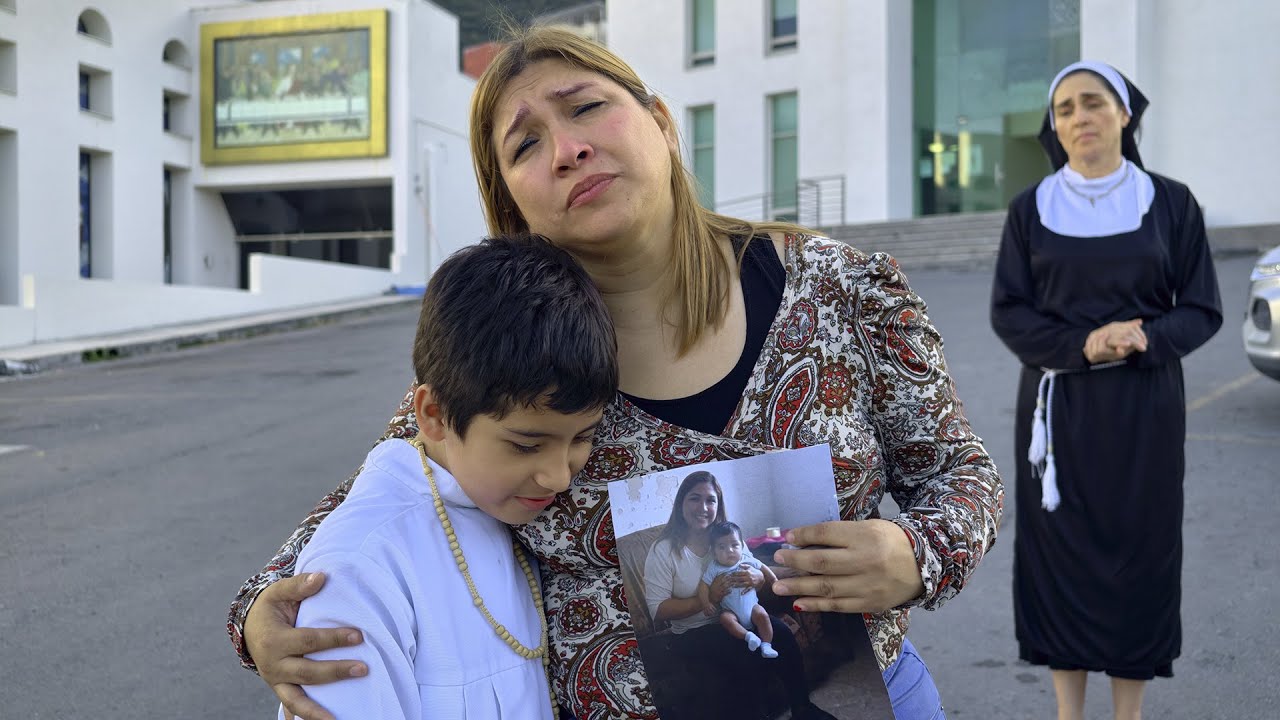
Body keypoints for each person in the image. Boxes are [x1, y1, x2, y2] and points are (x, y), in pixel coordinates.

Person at [229, 25, 1002, 720]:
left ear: (662, 123)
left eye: (585, 108)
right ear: (515, 204)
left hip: (854, 701)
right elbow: (388, 486)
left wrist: (918, 555)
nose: (566, 148)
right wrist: (263, 608)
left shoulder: (838, 289)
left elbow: (962, 473)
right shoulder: (516, 352)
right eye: (525, 145)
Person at [274, 235, 617, 719]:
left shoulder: (499, 507)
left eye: (583, 437)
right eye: (525, 445)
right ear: (434, 414)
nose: (559, 477)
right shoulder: (360, 567)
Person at [989, 61, 1223, 720]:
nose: (1079, 118)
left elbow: (1202, 308)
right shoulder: (1029, 210)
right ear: (1055, 127)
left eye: (1093, 103)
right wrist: (1082, 345)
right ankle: (1069, 713)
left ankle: (1129, 713)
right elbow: (1010, 312)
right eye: (1064, 108)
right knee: (1059, 553)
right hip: (1058, 412)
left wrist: (1144, 336)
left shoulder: (1172, 203)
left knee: (1139, 550)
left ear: (1124, 115)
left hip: (1144, 408)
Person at [644, 474, 816, 718]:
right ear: (681, 502)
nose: (703, 508)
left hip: (740, 615)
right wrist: (707, 598)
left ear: (718, 505)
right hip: (693, 631)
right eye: (695, 498)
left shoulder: (727, 537)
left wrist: (758, 579)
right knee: (742, 655)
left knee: (783, 633)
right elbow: (658, 610)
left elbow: (753, 569)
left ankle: (803, 708)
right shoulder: (663, 550)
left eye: (711, 500)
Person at [698, 520, 781, 659]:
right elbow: (703, 585)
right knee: (725, 619)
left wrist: (774, 581)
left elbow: (763, 567)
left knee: (763, 615)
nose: (729, 550)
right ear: (713, 551)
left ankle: (766, 645)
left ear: (742, 546)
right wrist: (705, 603)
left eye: (734, 545)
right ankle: (749, 637)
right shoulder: (714, 567)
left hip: (753, 607)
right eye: (722, 547)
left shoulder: (745, 559)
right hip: (731, 611)